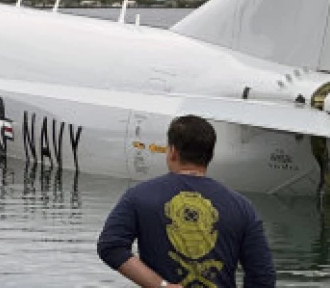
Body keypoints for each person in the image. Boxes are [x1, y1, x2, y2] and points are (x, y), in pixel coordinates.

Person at [97, 115, 276, 287]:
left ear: (173, 151)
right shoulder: (242, 207)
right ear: (210, 154)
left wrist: (161, 285)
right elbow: (262, 276)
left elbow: (111, 246)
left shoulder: (138, 196)